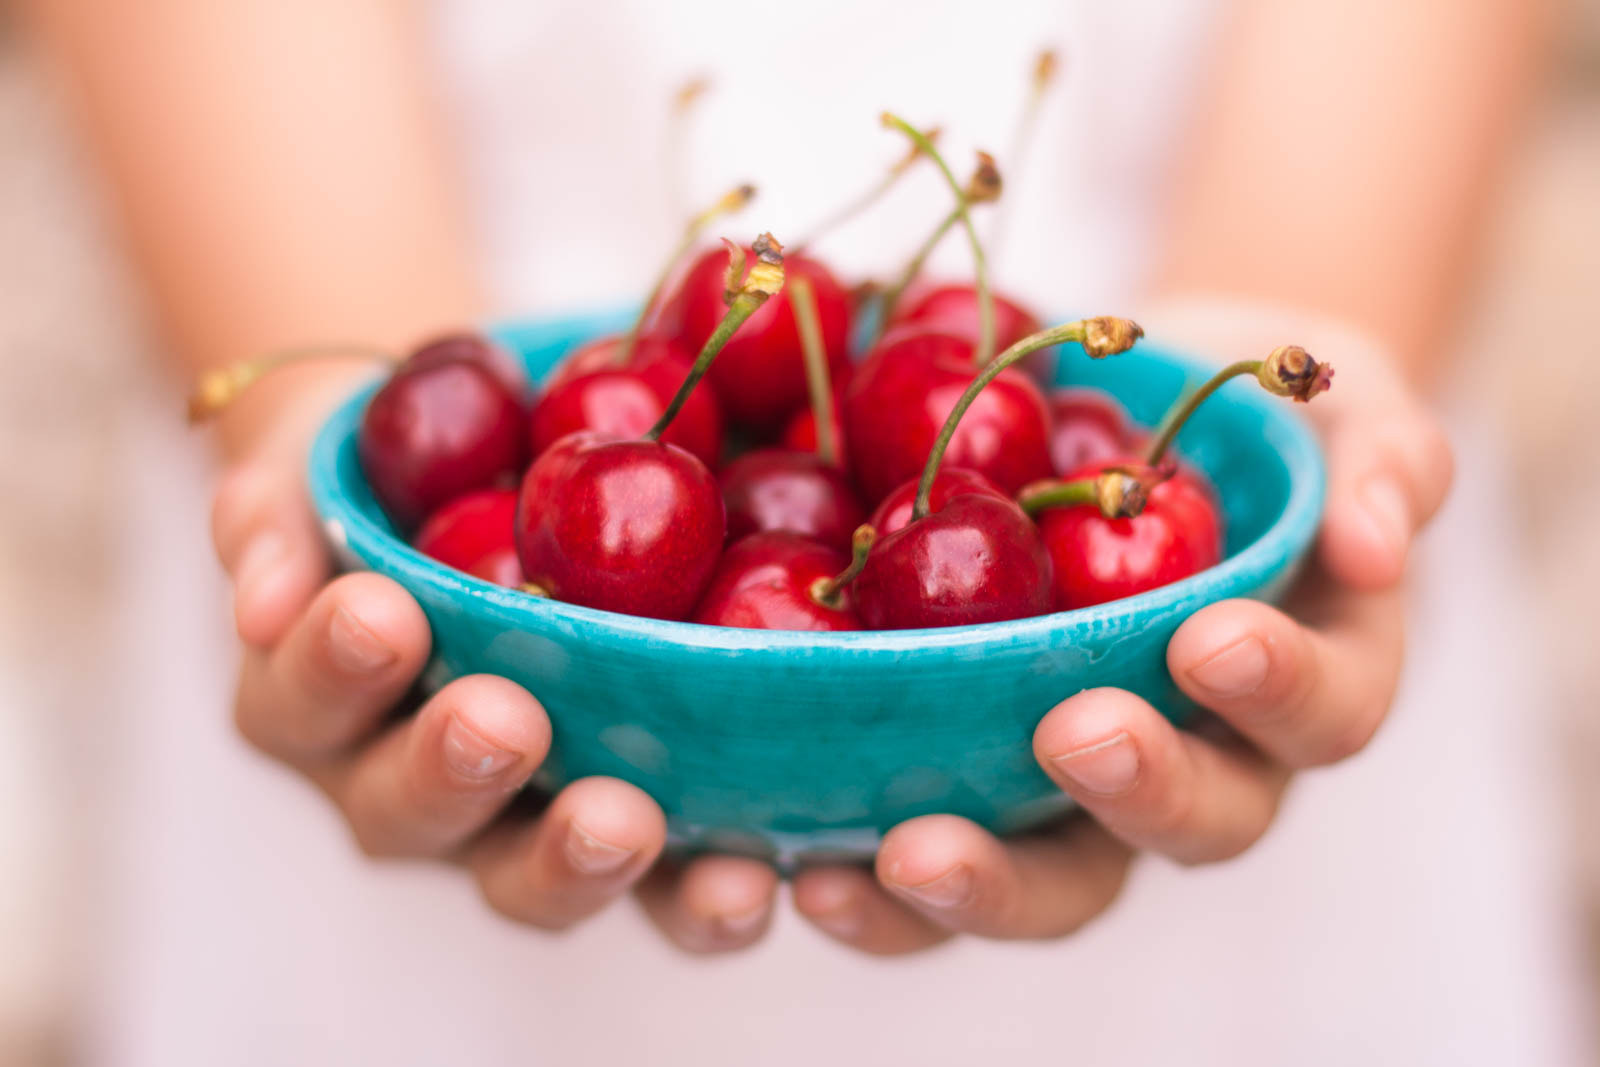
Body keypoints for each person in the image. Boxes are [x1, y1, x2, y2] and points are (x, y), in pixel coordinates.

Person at [16, 0, 1584, 1062]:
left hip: (1201, 721)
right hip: (423, 473)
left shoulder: (1052, 451)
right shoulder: (597, 460)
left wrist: (1309, 315)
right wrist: (315, 372)